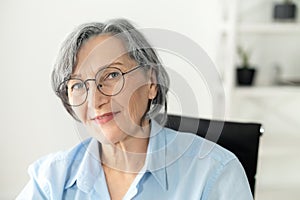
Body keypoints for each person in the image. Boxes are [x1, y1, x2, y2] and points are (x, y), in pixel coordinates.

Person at [17, 18, 253, 200]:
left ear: (151, 83)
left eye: (111, 75)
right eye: (77, 85)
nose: (95, 100)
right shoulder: (50, 179)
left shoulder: (214, 171)